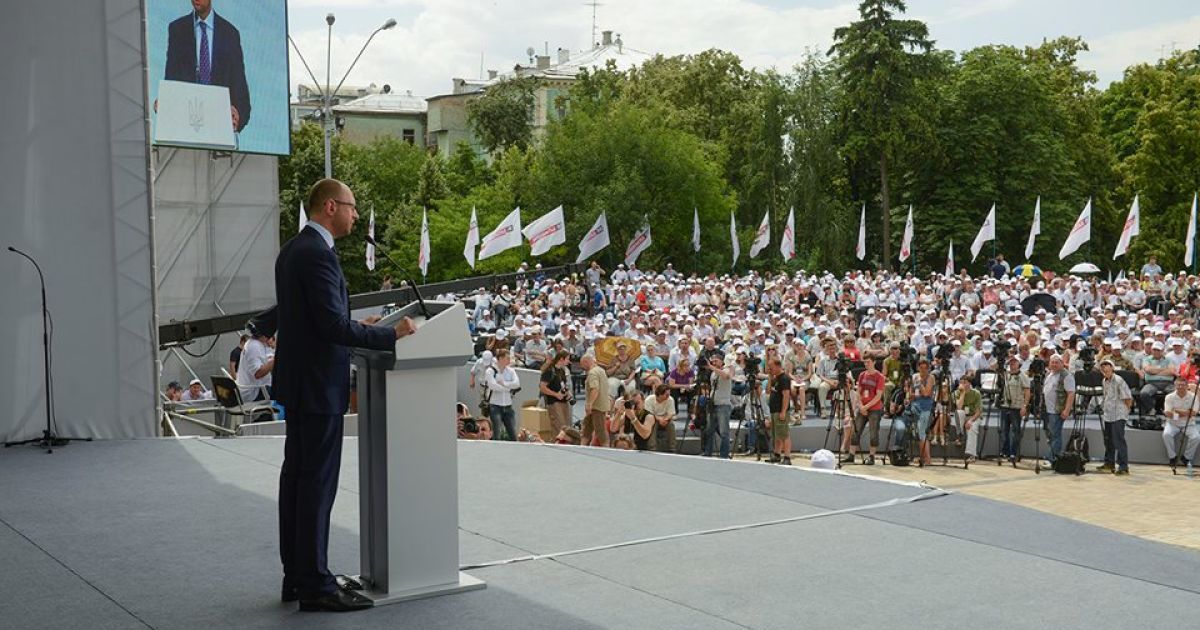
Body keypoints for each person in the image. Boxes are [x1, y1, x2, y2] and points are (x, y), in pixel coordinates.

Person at [273, 178, 416, 613]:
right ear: (330, 206)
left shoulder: (294, 250)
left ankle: (298, 576)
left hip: (300, 383)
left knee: (296, 481)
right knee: (316, 485)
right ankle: (316, 584)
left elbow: (314, 317)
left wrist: (362, 322)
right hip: (318, 387)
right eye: (352, 207)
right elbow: (332, 328)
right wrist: (389, 334)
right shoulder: (318, 254)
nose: (356, 215)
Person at [163, 0, 251, 132]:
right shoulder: (177, 30)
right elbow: (171, 81)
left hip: (219, 129)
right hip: (186, 128)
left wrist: (238, 116)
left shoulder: (230, 34)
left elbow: (240, 89)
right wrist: (165, 102)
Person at [1036, 354, 1075, 466]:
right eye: (1052, 362)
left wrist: (1067, 410)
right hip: (1047, 410)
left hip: (1057, 410)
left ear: (1062, 363)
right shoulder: (1049, 374)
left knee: (1055, 435)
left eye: (1056, 362)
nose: (1054, 364)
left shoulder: (1066, 376)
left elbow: (1071, 393)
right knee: (1050, 434)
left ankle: (1053, 459)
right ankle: (1052, 454)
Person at [1096, 360, 1132, 474]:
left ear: (1112, 368)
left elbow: (1127, 398)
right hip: (1108, 415)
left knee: (1118, 440)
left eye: (1107, 366)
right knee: (1108, 441)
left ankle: (1123, 466)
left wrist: (1125, 412)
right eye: (1103, 367)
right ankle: (1109, 463)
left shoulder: (1119, 380)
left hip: (1119, 415)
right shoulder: (1104, 381)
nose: (1105, 369)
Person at [846, 357, 883, 464]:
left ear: (874, 362)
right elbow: (858, 392)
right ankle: (851, 455)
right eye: (865, 362)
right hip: (862, 407)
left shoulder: (879, 377)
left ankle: (872, 456)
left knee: (873, 432)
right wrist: (861, 405)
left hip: (874, 408)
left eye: (868, 362)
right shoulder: (862, 375)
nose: (866, 364)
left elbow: (878, 396)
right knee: (856, 430)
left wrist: (866, 407)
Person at [996, 356, 1030, 461]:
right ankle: (1004, 451)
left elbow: (1027, 392)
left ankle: (1013, 453)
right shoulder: (1006, 375)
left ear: (1018, 364)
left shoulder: (1023, 376)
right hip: (1005, 406)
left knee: (1015, 431)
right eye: (1010, 362)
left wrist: (1024, 406)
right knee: (1003, 430)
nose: (1012, 364)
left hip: (1016, 407)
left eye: (1014, 362)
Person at [1162, 377, 1200, 467]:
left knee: (1196, 437)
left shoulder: (1193, 397)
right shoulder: (1169, 397)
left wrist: (1176, 410)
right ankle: (1172, 457)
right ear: (1175, 386)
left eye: (1182, 385)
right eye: (1178, 385)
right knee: (1166, 434)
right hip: (1173, 423)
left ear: (1187, 386)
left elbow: (1193, 413)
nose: (1180, 387)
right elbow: (1168, 413)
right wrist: (1185, 412)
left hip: (1189, 423)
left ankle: (1186, 457)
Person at [484, 349, 520, 441]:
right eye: (507, 358)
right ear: (500, 358)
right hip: (495, 405)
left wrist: (504, 383)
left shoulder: (511, 371)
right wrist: (508, 388)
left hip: (508, 405)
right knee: (497, 432)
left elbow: (517, 384)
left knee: (512, 433)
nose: (509, 360)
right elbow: (493, 386)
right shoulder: (490, 371)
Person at [236, 323, 274, 402]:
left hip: (255, 388)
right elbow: (258, 373)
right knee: (288, 391)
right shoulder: (254, 346)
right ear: (264, 335)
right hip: (254, 392)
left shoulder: (256, 344)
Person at [705, 354, 733, 458]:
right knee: (710, 430)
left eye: (716, 361)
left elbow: (726, 376)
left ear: (722, 361)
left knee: (724, 432)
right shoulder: (713, 373)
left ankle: (724, 454)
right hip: (714, 404)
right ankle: (708, 452)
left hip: (723, 405)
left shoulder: (727, 369)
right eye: (712, 361)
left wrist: (712, 367)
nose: (714, 363)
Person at [581, 354, 611, 447]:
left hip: (597, 407)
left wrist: (589, 403)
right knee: (587, 429)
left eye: (582, 364)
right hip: (601, 404)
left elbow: (595, 389)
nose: (582, 367)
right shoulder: (601, 370)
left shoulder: (592, 373)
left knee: (601, 431)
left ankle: (607, 449)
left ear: (586, 362)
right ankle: (582, 446)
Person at [766, 357, 792, 465]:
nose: (769, 369)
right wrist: (770, 377)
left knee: (784, 434)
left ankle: (787, 457)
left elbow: (786, 395)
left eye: (771, 367)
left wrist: (783, 411)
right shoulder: (774, 378)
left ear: (777, 366)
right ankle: (777, 454)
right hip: (773, 410)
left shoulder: (784, 378)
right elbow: (768, 391)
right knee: (776, 435)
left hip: (780, 410)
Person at [540, 351, 573, 434]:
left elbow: (563, 385)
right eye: (567, 359)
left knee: (566, 426)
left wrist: (567, 393)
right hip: (554, 402)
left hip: (564, 401)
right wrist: (556, 394)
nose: (569, 361)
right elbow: (542, 387)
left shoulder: (562, 371)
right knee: (559, 427)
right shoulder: (549, 371)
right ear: (561, 359)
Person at [954, 374, 983, 463]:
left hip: (973, 416)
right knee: (959, 412)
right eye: (961, 382)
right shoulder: (957, 392)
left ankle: (971, 455)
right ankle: (960, 435)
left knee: (972, 428)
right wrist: (962, 393)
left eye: (964, 382)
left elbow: (978, 412)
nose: (962, 384)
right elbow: (958, 407)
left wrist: (970, 420)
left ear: (969, 384)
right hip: (963, 416)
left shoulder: (976, 393)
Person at [644, 384, 677, 452]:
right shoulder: (649, 400)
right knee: (652, 424)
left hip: (665, 418)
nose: (668, 396)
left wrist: (665, 419)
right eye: (666, 395)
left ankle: (672, 448)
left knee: (671, 425)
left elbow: (671, 413)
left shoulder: (670, 399)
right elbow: (649, 413)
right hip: (653, 418)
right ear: (659, 394)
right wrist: (659, 419)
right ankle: (652, 448)